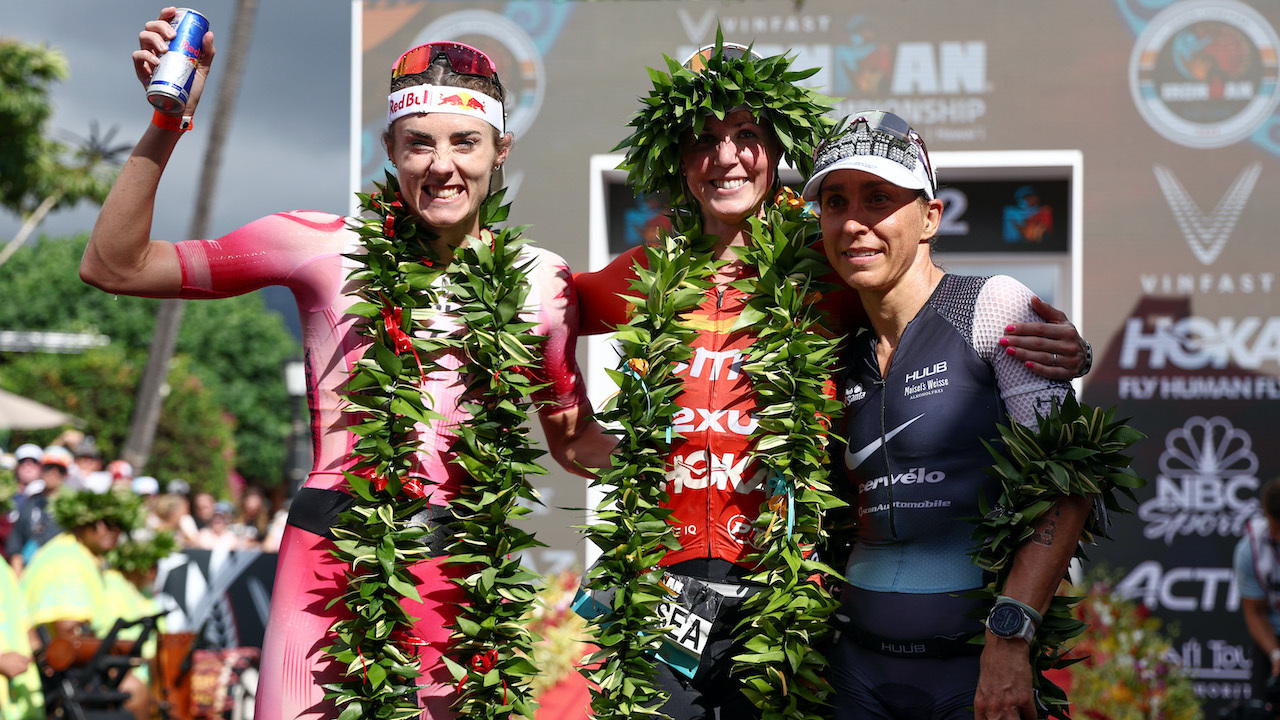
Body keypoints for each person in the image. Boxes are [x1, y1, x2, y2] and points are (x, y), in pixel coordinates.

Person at [83, 11, 613, 718]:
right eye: (419, 143)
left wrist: (699, 451)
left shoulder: (543, 281)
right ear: (390, 147)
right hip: (330, 553)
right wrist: (166, 121)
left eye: (465, 141)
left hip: (461, 567)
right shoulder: (319, 246)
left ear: (501, 149)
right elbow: (113, 265)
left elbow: (574, 439)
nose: (441, 164)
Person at [572, 45, 1091, 719]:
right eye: (704, 139)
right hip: (682, 606)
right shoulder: (647, 274)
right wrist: (576, 427)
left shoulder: (830, 269)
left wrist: (1062, 351)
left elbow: (934, 302)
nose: (726, 156)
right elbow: (540, 316)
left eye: (748, 135)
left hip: (795, 610)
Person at [802, 110, 1092, 719]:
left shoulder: (991, 307)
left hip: (972, 677)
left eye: (878, 198)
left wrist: (1010, 640)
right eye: (835, 201)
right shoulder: (834, 343)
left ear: (930, 217)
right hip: (853, 676)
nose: (854, 222)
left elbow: (1067, 487)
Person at [20, 487, 151, 720]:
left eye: (118, 524)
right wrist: (118, 655)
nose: (113, 531)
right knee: (135, 692)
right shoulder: (67, 558)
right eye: (104, 523)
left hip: (71, 671)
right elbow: (69, 632)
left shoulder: (84, 556)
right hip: (55, 676)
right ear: (81, 522)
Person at [1235, 477, 1280, 704]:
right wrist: (1276, 655)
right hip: (1272, 636)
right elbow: (1255, 612)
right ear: (1266, 515)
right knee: (1262, 708)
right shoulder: (1249, 550)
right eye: (1276, 529)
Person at [6, 446, 72, 574]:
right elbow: (16, 547)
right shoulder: (29, 505)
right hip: (30, 574)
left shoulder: (72, 509)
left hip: (61, 574)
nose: (54, 473)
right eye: (48, 468)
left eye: (60, 470)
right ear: (41, 470)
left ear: (65, 474)